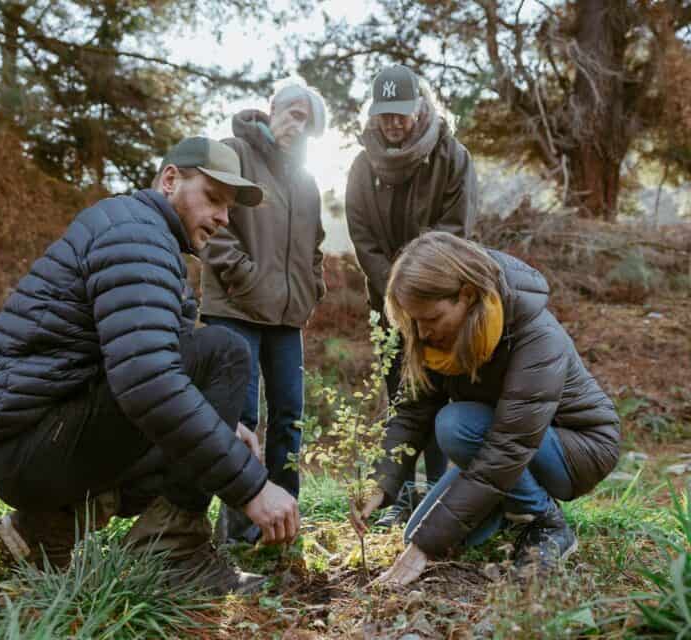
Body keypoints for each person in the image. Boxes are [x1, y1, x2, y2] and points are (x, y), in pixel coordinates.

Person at [0, 137, 300, 595]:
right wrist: (251, 487)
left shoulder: (139, 231)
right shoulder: (138, 236)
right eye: (214, 198)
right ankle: (174, 554)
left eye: (229, 207)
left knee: (199, 399)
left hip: (29, 444)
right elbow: (147, 381)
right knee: (225, 350)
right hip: (30, 446)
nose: (223, 217)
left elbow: (147, 362)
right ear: (170, 179)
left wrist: (223, 428)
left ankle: (44, 531)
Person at [350, 232, 620, 584]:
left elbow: (508, 447)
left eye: (431, 317)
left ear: (466, 295)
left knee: (455, 424)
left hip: (578, 449)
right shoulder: (435, 336)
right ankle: (513, 507)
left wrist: (426, 547)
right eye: (413, 320)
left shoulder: (536, 337)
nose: (422, 331)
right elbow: (412, 413)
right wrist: (380, 485)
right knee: (416, 533)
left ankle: (546, 522)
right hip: (499, 445)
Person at [345, 64, 478, 527]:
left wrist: (419, 288)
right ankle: (397, 496)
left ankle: (437, 496)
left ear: (421, 108)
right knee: (399, 398)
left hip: (439, 303)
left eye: (401, 113)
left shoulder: (452, 157)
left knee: (437, 395)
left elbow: (456, 232)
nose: (394, 122)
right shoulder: (363, 165)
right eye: (385, 114)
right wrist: (395, 295)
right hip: (387, 304)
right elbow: (362, 236)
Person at [200, 83, 327, 543]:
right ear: (271, 110)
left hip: (287, 320)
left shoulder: (307, 180)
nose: (298, 126)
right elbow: (211, 224)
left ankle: (283, 523)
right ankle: (239, 530)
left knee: (290, 416)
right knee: (239, 420)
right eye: (293, 113)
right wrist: (248, 278)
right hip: (235, 311)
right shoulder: (235, 153)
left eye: (307, 122)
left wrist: (313, 288)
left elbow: (314, 247)